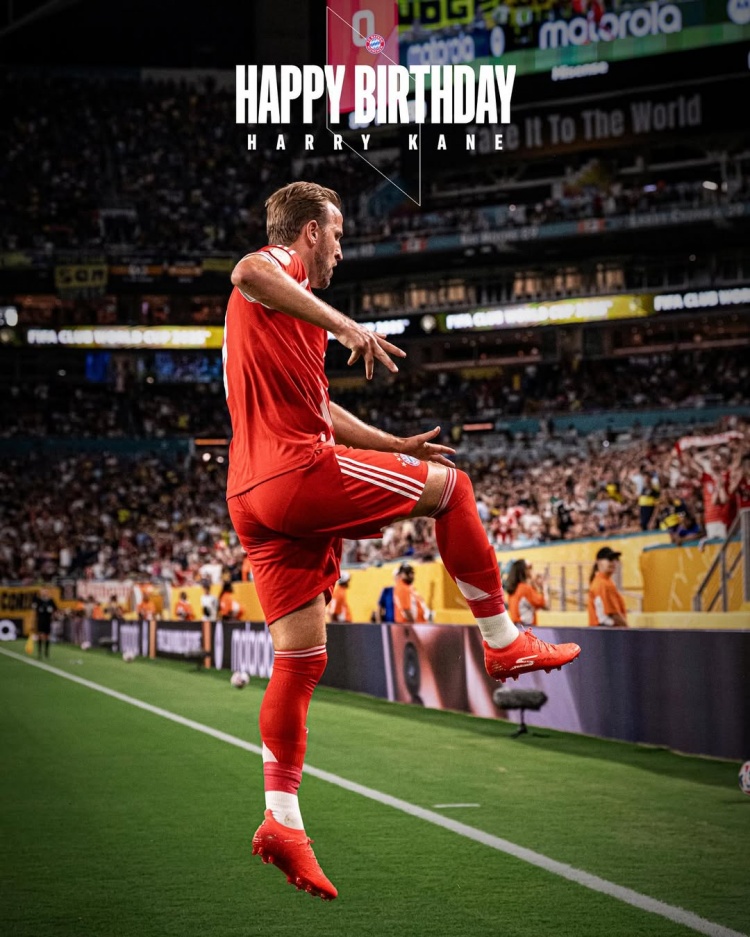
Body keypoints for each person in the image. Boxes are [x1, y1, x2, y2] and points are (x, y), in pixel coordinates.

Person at [224, 181, 580, 900]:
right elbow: (246, 270)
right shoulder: (278, 271)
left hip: (249, 496)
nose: (342, 249)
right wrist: (347, 327)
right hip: (295, 472)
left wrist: (391, 444)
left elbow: (319, 407)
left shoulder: (279, 321)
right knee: (454, 490)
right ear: (310, 232)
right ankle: (503, 640)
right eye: (338, 234)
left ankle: (281, 819)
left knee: (301, 658)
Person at [587, 547, 628, 627]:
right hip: (606, 631)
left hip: (603, 630)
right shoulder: (602, 583)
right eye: (610, 559)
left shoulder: (604, 581)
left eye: (615, 560)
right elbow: (612, 613)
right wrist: (627, 629)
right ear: (599, 562)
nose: (613, 562)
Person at [505, 559, 549, 627]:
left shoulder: (515, 588)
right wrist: (544, 586)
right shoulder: (525, 588)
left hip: (516, 626)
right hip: (525, 626)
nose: (532, 570)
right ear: (524, 571)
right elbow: (545, 605)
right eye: (530, 568)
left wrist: (534, 584)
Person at [31, 587, 58, 658]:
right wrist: (33, 621)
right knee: (40, 635)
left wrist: (53, 615)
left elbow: (55, 609)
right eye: (43, 592)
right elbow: (34, 610)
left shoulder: (50, 601)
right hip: (40, 620)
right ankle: (39, 652)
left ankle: (46, 652)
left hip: (48, 620)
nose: (44, 593)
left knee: (47, 636)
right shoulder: (38, 600)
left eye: (45, 591)